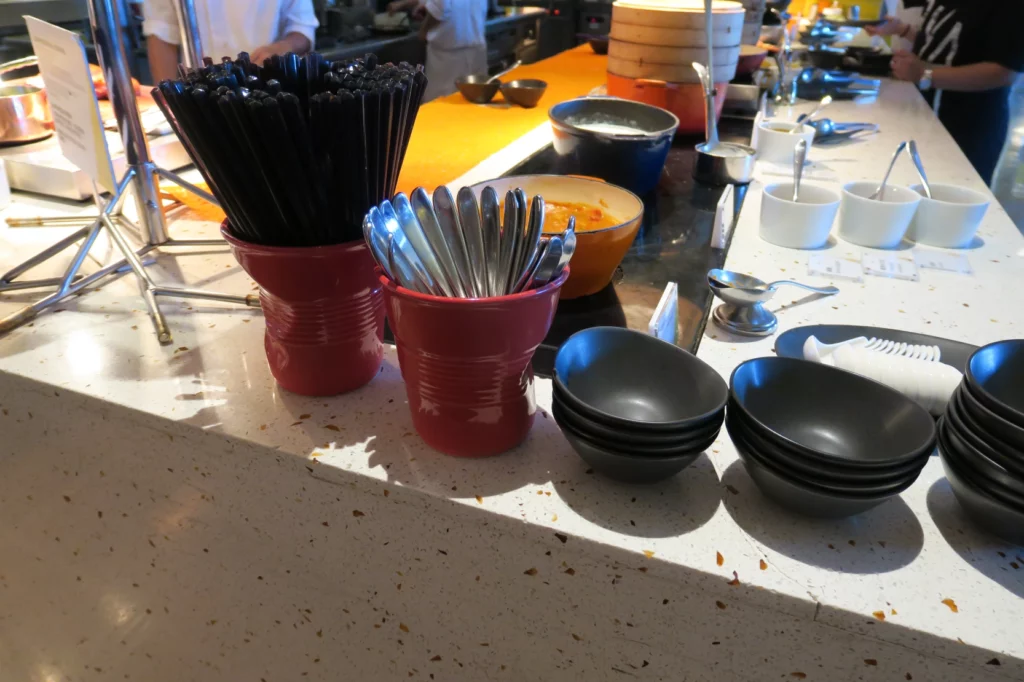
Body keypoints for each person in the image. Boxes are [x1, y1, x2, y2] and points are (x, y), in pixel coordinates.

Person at [866, 1, 1024, 183]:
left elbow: (1004, 72)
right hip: (924, 115)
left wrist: (925, 74)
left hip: (969, 127)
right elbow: (945, 44)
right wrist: (902, 30)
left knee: (952, 198)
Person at [143, 0, 318, 83]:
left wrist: (281, 48)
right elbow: (161, 33)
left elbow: (302, 29)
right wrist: (169, 102)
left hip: (269, 86)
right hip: (199, 93)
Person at [387, 0, 487, 101]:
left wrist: (424, 30)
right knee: (472, 104)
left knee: (441, 105)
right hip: (475, 47)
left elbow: (439, 8)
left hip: (448, 58)